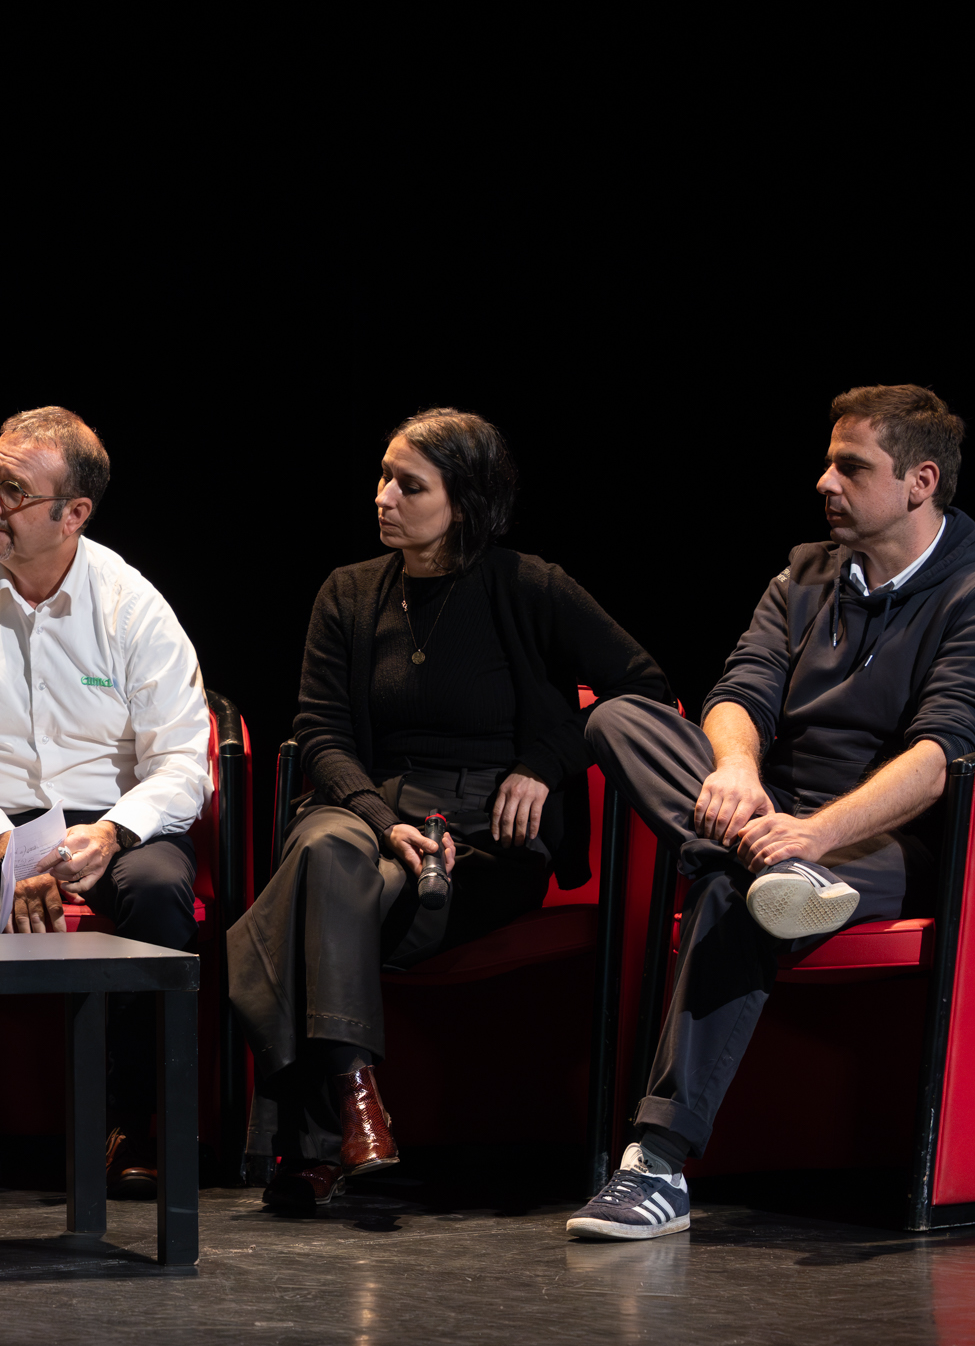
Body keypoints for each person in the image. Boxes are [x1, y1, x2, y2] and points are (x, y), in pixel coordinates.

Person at [571, 386, 975, 1240]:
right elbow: (738, 691)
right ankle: (772, 869)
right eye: (828, 461)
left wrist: (817, 836)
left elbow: (942, 760)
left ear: (919, 481)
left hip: (889, 845)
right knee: (619, 719)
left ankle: (658, 1167)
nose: (825, 482)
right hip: (776, 818)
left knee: (729, 893)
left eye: (851, 466)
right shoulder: (803, 574)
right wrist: (742, 776)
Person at [227, 410, 671, 1211]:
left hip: (482, 841)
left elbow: (642, 685)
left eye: (410, 484)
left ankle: (312, 1147)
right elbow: (320, 733)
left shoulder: (529, 585)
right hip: (363, 813)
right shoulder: (349, 591)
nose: (384, 496)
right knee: (326, 854)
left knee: (299, 906)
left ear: (462, 502)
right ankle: (358, 1097)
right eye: (384, 476)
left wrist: (545, 765)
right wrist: (372, 813)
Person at [0, 406, 213, 1197]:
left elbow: (182, 767)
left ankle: (130, 1127)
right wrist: (10, 849)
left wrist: (110, 834)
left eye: (13, 490)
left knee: (163, 892)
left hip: (109, 816)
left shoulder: (133, 606)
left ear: (74, 514)